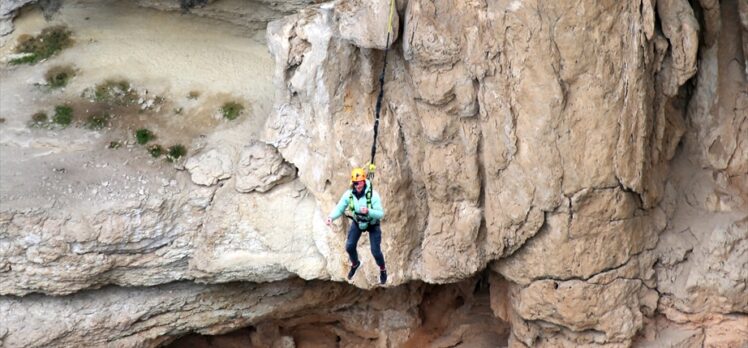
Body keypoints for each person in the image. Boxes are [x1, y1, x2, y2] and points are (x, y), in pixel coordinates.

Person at [326, 168, 387, 284]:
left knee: (375, 251)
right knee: (349, 246)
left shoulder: (373, 195)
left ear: (364, 181)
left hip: (372, 224)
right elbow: (340, 208)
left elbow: (380, 214)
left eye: (359, 183)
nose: (357, 185)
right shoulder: (349, 195)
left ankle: (383, 269)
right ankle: (355, 264)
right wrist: (331, 217)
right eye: (355, 183)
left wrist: (369, 211)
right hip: (358, 222)